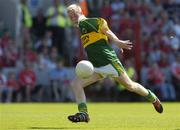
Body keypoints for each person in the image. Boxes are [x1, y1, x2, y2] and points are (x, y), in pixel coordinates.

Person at [66, 4, 163, 123]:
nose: (73, 18)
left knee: (130, 86)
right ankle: (83, 113)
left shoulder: (90, 22)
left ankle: (153, 98)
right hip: (96, 65)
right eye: (71, 17)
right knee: (76, 84)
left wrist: (117, 41)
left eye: (75, 15)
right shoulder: (82, 28)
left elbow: (106, 30)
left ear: (81, 12)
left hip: (109, 61)